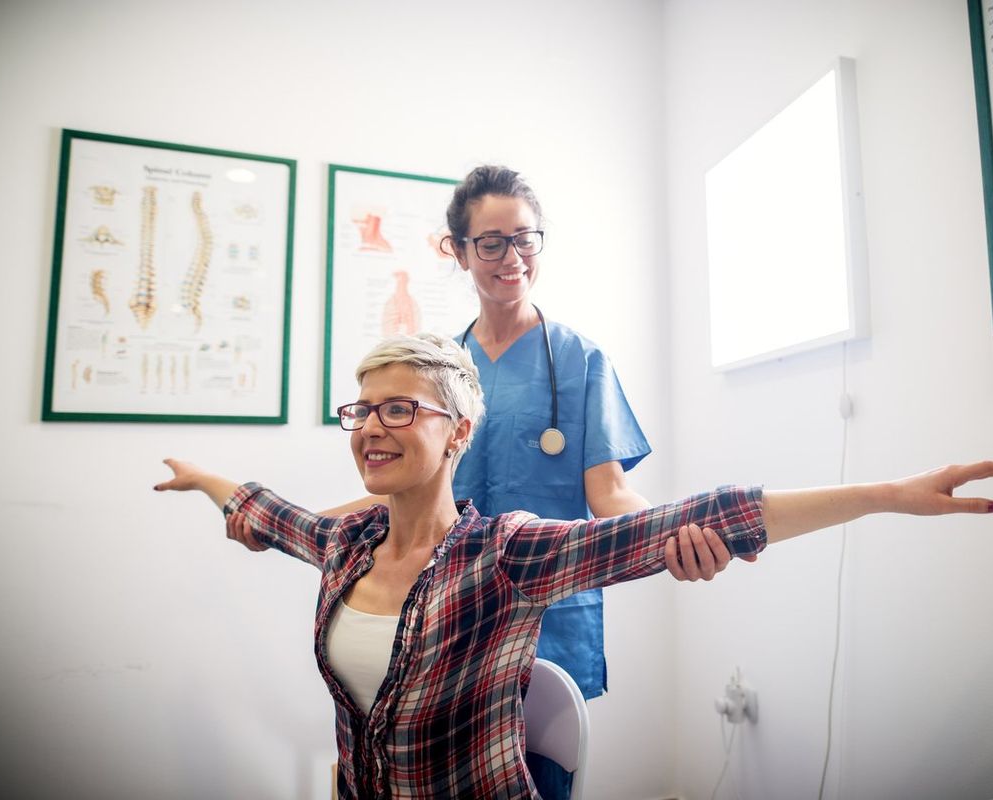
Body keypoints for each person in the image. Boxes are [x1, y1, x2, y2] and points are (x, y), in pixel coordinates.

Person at [157, 332, 993, 799]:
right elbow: (270, 514)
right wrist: (207, 482)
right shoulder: (344, 545)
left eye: (400, 409)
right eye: (359, 409)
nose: (370, 428)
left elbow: (710, 516)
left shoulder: (507, 554)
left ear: (458, 431)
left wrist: (889, 493)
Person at [230, 163, 733, 800]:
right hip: (443, 615)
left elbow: (610, 497)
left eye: (525, 238)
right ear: (459, 251)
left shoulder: (580, 360)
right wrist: (286, 525)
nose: (511, 256)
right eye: (490, 242)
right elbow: (401, 488)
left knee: (537, 780)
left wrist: (677, 535)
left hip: (547, 609)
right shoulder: (439, 368)